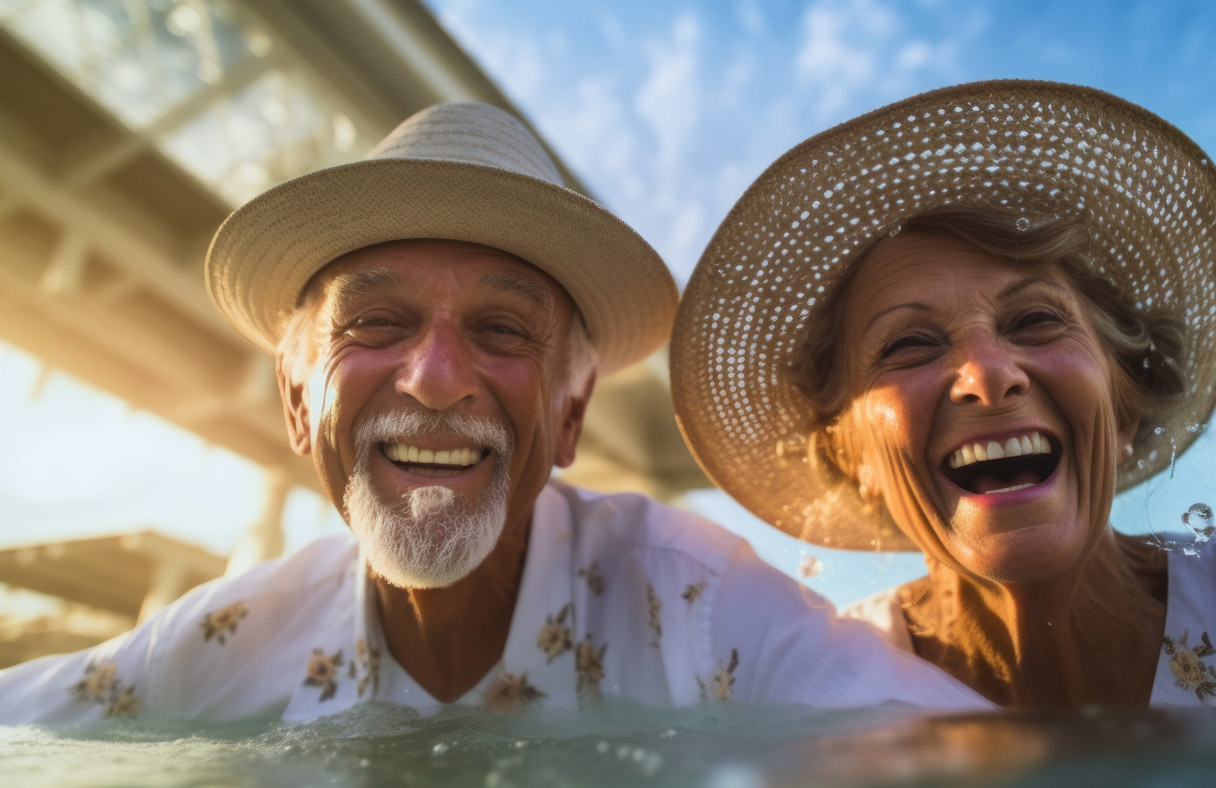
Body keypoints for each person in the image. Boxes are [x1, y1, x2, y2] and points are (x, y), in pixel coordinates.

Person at [0, 102, 990, 723]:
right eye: (376, 322)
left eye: (503, 331)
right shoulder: (228, 642)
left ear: (569, 414)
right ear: (297, 401)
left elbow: (950, 747)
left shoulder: (695, 604)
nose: (435, 378)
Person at [670, 80, 1216, 709]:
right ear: (852, 455)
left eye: (1034, 321)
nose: (989, 375)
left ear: (1125, 407)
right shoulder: (807, 697)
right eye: (909, 345)